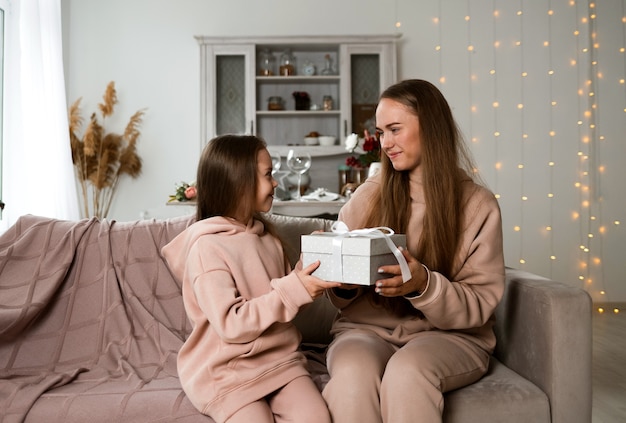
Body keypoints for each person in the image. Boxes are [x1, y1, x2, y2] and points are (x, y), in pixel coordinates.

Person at [322, 79, 505, 423]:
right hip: (365, 331)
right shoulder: (369, 195)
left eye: (395, 129)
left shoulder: (478, 205)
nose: (385, 143)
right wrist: (341, 281)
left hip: (450, 337)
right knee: (351, 378)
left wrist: (423, 285)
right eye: (380, 132)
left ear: (431, 128)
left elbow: (480, 304)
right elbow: (339, 290)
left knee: (407, 373)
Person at [162, 135, 339, 423]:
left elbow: (286, 305)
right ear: (239, 182)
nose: (276, 182)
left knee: (316, 417)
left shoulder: (268, 239)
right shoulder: (207, 248)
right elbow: (232, 324)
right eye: (269, 174)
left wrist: (307, 271)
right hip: (228, 370)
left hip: (279, 361)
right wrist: (295, 288)